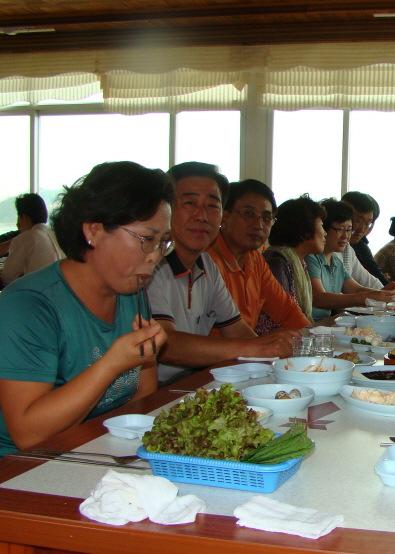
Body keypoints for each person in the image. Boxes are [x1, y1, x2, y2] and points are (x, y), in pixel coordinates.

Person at [0, 162, 171, 457]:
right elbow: (28, 434)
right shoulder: (28, 305)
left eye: (164, 242)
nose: (156, 256)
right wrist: (110, 364)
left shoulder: (129, 291)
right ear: (94, 230)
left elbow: (144, 397)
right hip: (24, 468)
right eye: (147, 239)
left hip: (97, 448)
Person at [148, 162, 298, 385]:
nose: (202, 216)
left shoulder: (206, 264)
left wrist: (279, 359)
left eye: (212, 206)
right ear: (166, 208)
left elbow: (237, 330)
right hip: (158, 388)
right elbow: (165, 344)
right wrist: (256, 347)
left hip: (194, 381)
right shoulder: (151, 263)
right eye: (190, 203)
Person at [207, 179, 310, 335]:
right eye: (248, 214)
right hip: (216, 357)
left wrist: (315, 343)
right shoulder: (207, 260)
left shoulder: (255, 259)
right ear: (224, 217)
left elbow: (287, 311)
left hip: (249, 353)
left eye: (266, 217)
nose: (259, 225)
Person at [306, 199, 395, 321]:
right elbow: (320, 299)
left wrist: (381, 292)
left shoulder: (336, 261)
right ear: (324, 229)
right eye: (340, 229)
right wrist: (369, 296)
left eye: (349, 230)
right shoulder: (311, 258)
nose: (345, 236)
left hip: (327, 325)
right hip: (310, 326)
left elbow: (355, 289)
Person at [263, 195, 327, 323]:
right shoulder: (277, 262)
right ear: (305, 230)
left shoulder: (299, 261)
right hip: (277, 340)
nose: (325, 233)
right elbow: (284, 317)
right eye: (321, 225)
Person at [340, 191, 395, 295]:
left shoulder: (348, 249)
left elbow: (366, 280)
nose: (362, 229)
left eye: (368, 223)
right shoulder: (322, 252)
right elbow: (323, 298)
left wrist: (386, 290)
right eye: (359, 221)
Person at [0, 193, 64, 285]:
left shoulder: (25, 238)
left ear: (24, 217)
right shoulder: (56, 234)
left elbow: (7, 278)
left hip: (39, 294)